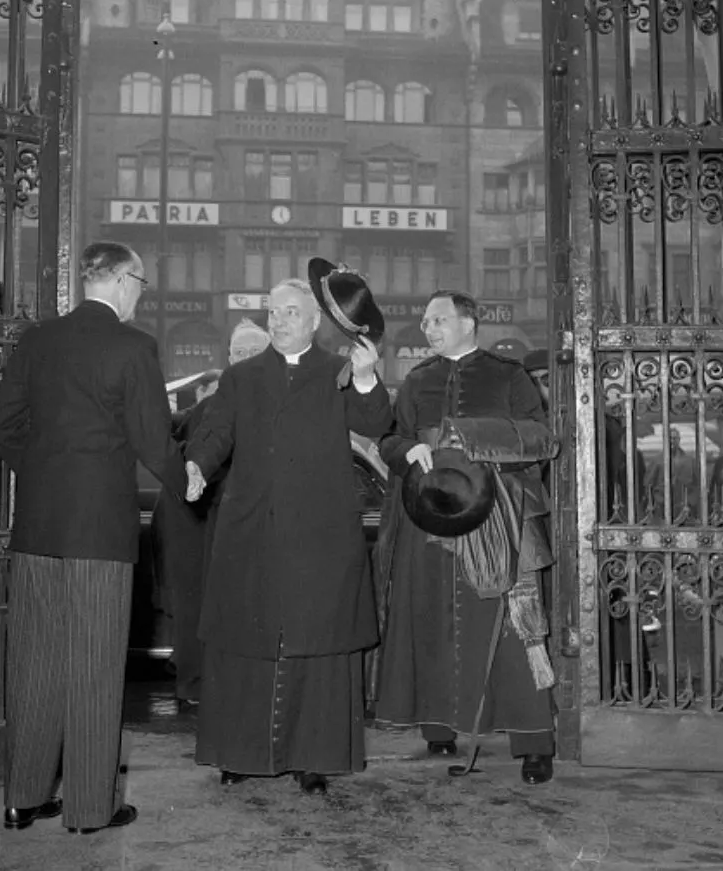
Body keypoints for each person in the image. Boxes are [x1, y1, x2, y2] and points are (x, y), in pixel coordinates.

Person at [0, 241, 186, 835]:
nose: (139, 295)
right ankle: (90, 810)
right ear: (123, 281)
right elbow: (153, 440)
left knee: (36, 665)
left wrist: (49, 469)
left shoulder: (37, 340)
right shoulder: (134, 346)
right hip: (100, 529)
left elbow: (1, 426)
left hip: (40, 526)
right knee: (95, 666)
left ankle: (23, 799)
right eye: (142, 284)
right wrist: (190, 482)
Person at [184, 274, 391, 796]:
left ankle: (313, 758)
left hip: (319, 536)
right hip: (251, 530)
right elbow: (216, 431)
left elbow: (375, 421)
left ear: (315, 321)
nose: (278, 321)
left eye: (290, 312)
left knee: (315, 646)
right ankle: (239, 754)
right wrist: (198, 466)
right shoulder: (242, 376)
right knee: (244, 644)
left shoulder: (337, 371)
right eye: (272, 312)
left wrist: (367, 379)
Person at [374, 290, 557, 785]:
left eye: (438, 319)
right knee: (435, 621)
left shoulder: (508, 375)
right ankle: (441, 726)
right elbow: (389, 440)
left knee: (515, 631)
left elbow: (542, 439)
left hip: (495, 517)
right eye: (425, 321)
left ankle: (534, 742)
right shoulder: (416, 381)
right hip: (429, 517)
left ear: (469, 322)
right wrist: (410, 448)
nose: (428, 329)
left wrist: (471, 437)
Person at [156, 319, 271, 708]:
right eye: (238, 352)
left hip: (216, 519)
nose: (243, 359)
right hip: (197, 521)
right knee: (200, 606)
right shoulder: (215, 405)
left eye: (253, 352)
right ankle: (200, 685)